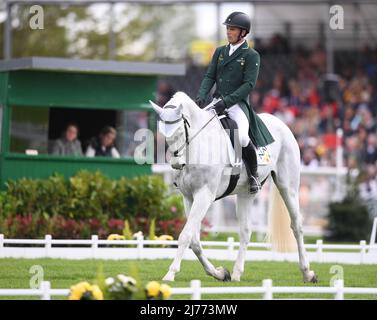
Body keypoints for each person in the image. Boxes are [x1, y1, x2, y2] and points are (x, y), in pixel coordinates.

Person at [195, 12, 274, 194]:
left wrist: (227, 101)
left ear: (243, 32)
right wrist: (201, 95)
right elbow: (209, 76)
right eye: (228, 29)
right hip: (217, 101)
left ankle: (253, 175)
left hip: (237, 104)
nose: (228, 32)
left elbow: (249, 85)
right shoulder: (220, 52)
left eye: (232, 29)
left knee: (243, 137)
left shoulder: (252, 55)